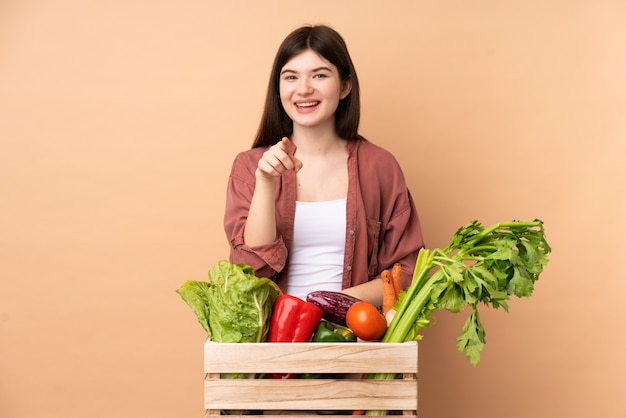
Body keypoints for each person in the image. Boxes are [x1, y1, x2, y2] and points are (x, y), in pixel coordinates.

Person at [224, 24, 424, 306]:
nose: (304, 89)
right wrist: (265, 182)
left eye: (319, 75)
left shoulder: (380, 166)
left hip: (353, 339)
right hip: (271, 339)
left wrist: (329, 303)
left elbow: (407, 273)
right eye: (291, 77)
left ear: (345, 86)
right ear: (278, 88)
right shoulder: (249, 166)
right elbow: (249, 272)